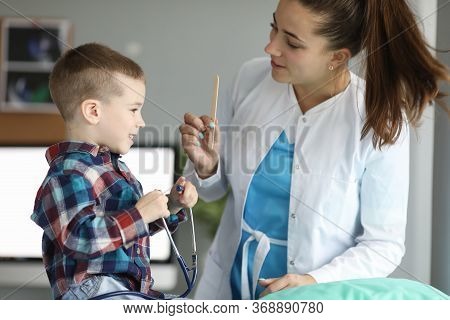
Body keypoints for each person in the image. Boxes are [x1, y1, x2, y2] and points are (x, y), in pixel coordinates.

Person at [180, 0, 450, 300]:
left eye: (292, 43)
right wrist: (207, 168)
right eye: (274, 27)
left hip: (314, 300)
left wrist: (314, 280)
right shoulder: (250, 79)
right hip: (229, 288)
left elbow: (383, 245)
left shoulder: (379, 121)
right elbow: (209, 192)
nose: (271, 47)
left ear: (337, 56)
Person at [31, 43, 198, 300]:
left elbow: (124, 231)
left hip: (124, 290)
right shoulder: (67, 173)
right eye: (134, 109)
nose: (141, 121)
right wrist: (140, 214)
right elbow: (80, 239)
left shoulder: (112, 168)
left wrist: (171, 206)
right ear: (94, 111)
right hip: (93, 293)